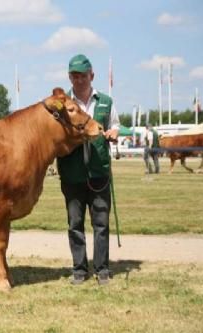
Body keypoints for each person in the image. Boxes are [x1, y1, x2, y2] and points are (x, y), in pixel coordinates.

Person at [57, 54, 120, 285]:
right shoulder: (62, 104)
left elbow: (115, 126)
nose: (79, 80)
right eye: (74, 76)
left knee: (101, 224)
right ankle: (79, 270)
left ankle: (102, 269)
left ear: (91, 75)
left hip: (99, 172)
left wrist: (115, 133)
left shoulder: (105, 101)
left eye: (83, 75)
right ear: (69, 77)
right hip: (72, 173)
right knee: (75, 224)